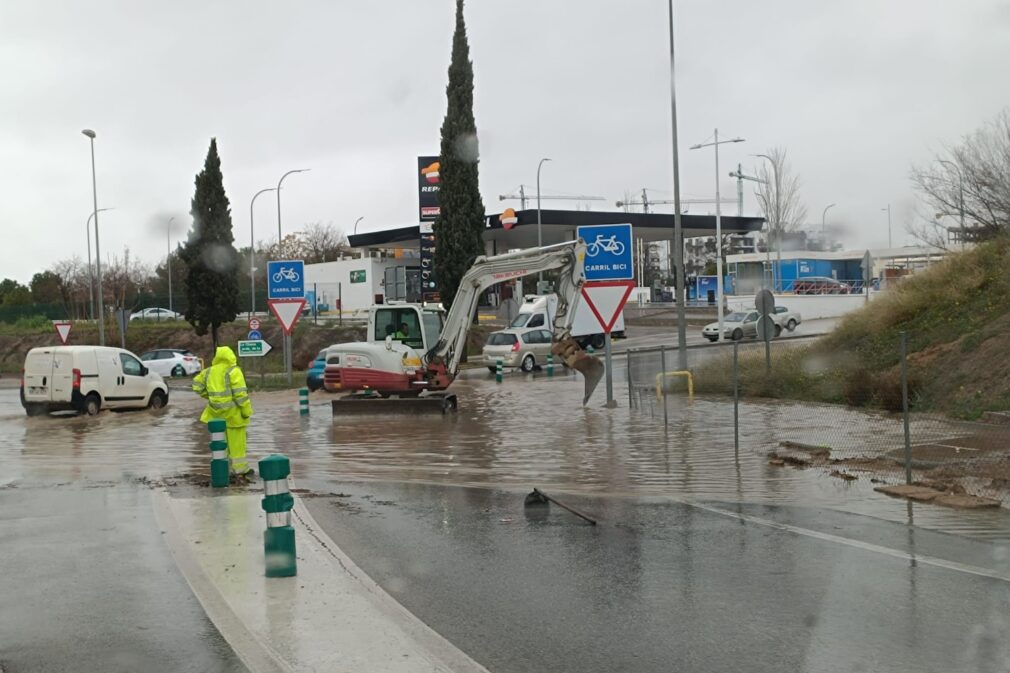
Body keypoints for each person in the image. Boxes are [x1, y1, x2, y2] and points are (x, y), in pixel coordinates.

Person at [193, 346, 254, 479]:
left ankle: (222, 470)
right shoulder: (234, 371)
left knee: (220, 444)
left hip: (215, 415)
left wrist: (209, 397)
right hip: (234, 416)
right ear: (231, 356)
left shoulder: (208, 371)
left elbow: (196, 385)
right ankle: (240, 470)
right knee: (237, 444)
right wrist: (246, 411)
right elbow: (241, 395)